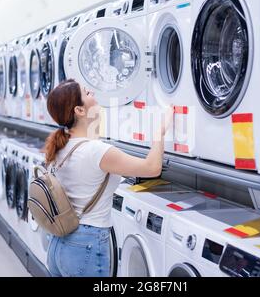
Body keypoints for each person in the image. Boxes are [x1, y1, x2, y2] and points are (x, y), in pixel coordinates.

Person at [44, 79, 174, 277]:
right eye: (88, 93)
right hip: (85, 245)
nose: (93, 94)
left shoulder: (60, 147)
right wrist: (160, 131)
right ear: (79, 110)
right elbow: (152, 167)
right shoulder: (96, 151)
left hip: (58, 245)